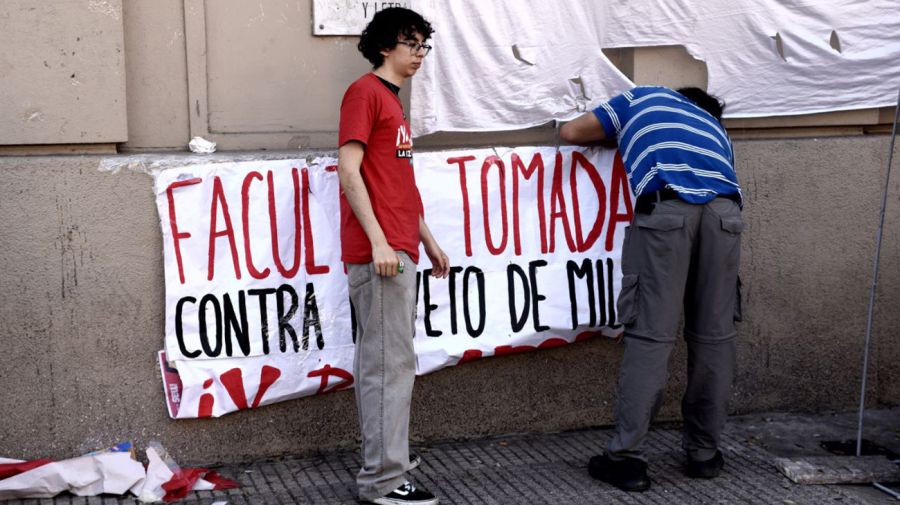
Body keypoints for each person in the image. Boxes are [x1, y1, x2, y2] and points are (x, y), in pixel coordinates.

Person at [560, 86, 744, 492]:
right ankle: (704, 455)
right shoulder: (715, 128)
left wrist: (622, 134)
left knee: (651, 338)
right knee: (715, 340)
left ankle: (626, 460)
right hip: (725, 217)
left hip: (669, 213)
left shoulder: (643, 97)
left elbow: (571, 133)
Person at [337, 7, 449, 505]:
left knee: (390, 362)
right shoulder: (365, 93)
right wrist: (380, 241)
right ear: (387, 46)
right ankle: (384, 479)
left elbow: (397, 181)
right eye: (412, 44)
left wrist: (425, 237)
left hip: (400, 247)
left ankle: (390, 456)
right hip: (381, 253)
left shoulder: (391, 101)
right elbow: (348, 169)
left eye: (424, 45)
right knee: (388, 366)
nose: (419, 53)